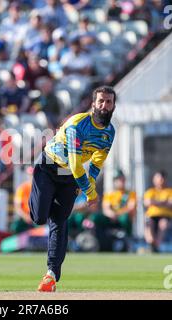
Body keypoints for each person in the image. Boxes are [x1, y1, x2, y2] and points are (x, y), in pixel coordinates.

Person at [29, 86, 116, 292]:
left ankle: (51, 275)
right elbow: (77, 164)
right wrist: (90, 192)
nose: (104, 106)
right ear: (93, 103)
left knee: (60, 221)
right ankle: (43, 202)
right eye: (101, 101)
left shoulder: (109, 132)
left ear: (114, 105)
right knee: (40, 218)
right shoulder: (78, 123)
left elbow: (96, 162)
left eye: (109, 102)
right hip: (49, 167)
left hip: (68, 178)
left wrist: (91, 183)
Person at [102, 169, 136, 237]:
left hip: (123, 217)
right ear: (114, 181)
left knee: (125, 218)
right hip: (111, 217)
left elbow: (130, 208)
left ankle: (127, 238)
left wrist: (117, 214)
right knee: (98, 218)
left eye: (122, 179)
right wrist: (112, 214)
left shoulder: (130, 193)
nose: (121, 182)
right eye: (119, 179)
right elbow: (106, 208)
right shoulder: (109, 194)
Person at [144, 171, 172, 252]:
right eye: (158, 178)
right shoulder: (150, 191)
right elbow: (147, 202)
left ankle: (157, 245)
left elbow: (170, 204)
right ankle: (151, 243)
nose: (160, 181)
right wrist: (163, 202)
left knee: (163, 223)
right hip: (152, 216)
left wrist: (155, 202)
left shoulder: (169, 191)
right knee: (148, 223)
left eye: (161, 178)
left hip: (165, 216)